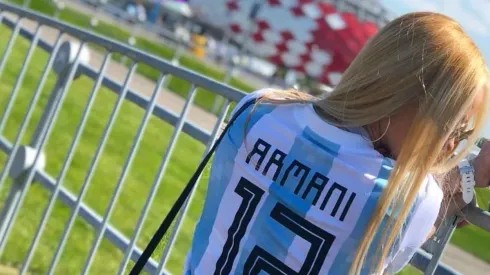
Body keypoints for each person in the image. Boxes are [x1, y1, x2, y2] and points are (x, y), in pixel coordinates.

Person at [185, 12, 490, 274]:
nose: (451, 146)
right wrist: (464, 177)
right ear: (403, 98)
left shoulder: (259, 108)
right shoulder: (414, 199)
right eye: (456, 125)